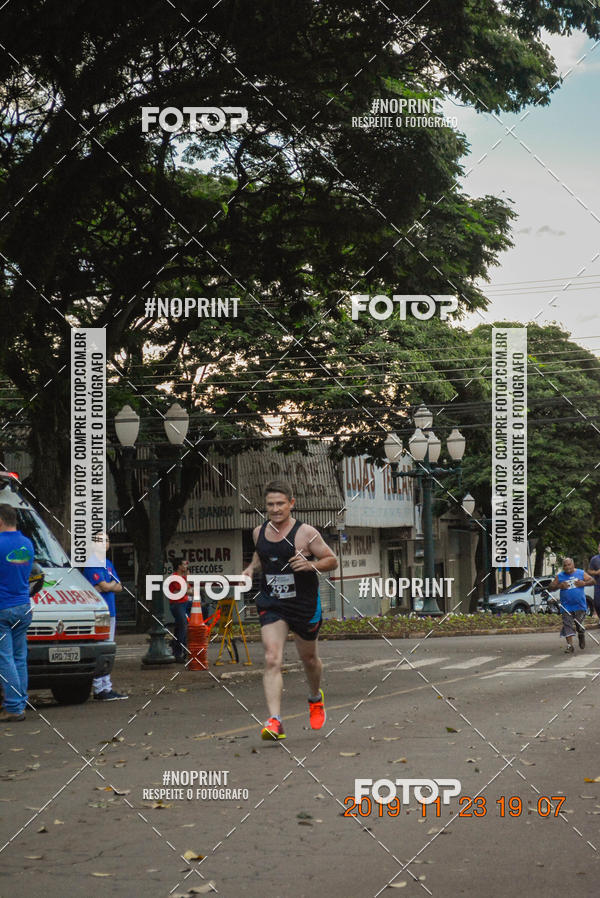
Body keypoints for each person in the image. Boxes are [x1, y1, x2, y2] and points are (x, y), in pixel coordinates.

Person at [241, 480, 338, 740]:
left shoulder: (306, 533)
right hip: (273, 603)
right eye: (270, 504)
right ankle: (275, 721)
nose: (275, 509)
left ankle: (315, 698)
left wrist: (311, 565)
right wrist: (251, 569)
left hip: (304, 605)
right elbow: (261, 555)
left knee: (309, 660)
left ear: (291, 504)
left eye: (280, 504)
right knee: (272, 657)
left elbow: (332, 560)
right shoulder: (257, 532)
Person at [83, 533, 128, 700]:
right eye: (100, 540)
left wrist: (109, 586)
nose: (104, 543)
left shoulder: (108, 564)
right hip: (99, 612)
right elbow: (103, 586)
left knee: (108, 648)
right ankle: (99, 688)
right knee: (102, 648)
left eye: (107, 540)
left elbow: (119, 586)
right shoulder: (91, 564)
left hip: (112, 611)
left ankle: (106, 686)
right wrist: (109, 586)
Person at [0, 503, 34, 722]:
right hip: (24, 606)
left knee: (5, 659)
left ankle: (12, 707)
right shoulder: (27, 544)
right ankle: (20, 702)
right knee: (20, 657)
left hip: (2, 607)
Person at [549, 558, 594, 653]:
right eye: (565, 565)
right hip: (566, 606)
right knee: (567, 625)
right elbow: (550, 587)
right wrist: (559, 586)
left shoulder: (581, 573)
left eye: (569, 564)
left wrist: (584, 583)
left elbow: (592, 581)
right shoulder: (560, 576)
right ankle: (570, 646)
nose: (567, 567)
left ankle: (581, 634)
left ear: (573, 564)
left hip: (580, 605)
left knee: (579, 626)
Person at [166, 557, 191, 663]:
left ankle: (176, 648)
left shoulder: (182, 577)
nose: (186, 566)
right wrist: (188, 579)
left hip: (184, 603)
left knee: (180, 628)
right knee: (183, 627)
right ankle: (180, 651)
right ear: (179, 566)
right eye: (184, 565)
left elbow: (188, 590)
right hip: (177, 604)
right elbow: (185, 590)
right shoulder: (175, 577)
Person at [586, 543, 600, 618]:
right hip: (598, 585)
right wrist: (596, 572)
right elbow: (589, 571)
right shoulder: (594, 559)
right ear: (598, 548)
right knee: (597, 604)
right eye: (599, 547)